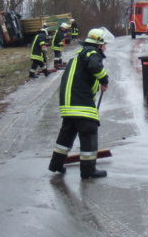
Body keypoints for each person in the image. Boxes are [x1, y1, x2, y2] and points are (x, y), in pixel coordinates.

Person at [48, 27, 115, 179]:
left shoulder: (78, 54)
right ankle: (88, 170)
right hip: (80, 102)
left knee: (67, 133)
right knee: (89, 130)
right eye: (104, 44)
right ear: (98, 45)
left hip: (68, 103)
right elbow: (96, 66)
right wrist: (104, 80)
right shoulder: (91, 52)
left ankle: (56, 164)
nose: (105, 47)